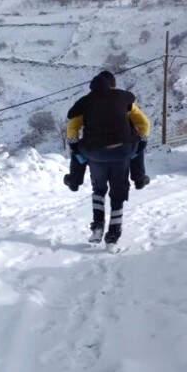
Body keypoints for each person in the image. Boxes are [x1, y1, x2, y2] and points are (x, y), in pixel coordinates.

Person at [66, 70, 151, 245]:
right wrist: (142, 141)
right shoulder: (124, 99)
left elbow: (72, 128)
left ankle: (76, 183)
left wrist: (75, 147)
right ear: (113, 85)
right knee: (136, 146)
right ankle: (114, 232)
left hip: (95, 154)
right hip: (122, 152)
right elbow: (144, 123)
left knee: (97, 188)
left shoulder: (85, 102)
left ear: (93, 87)